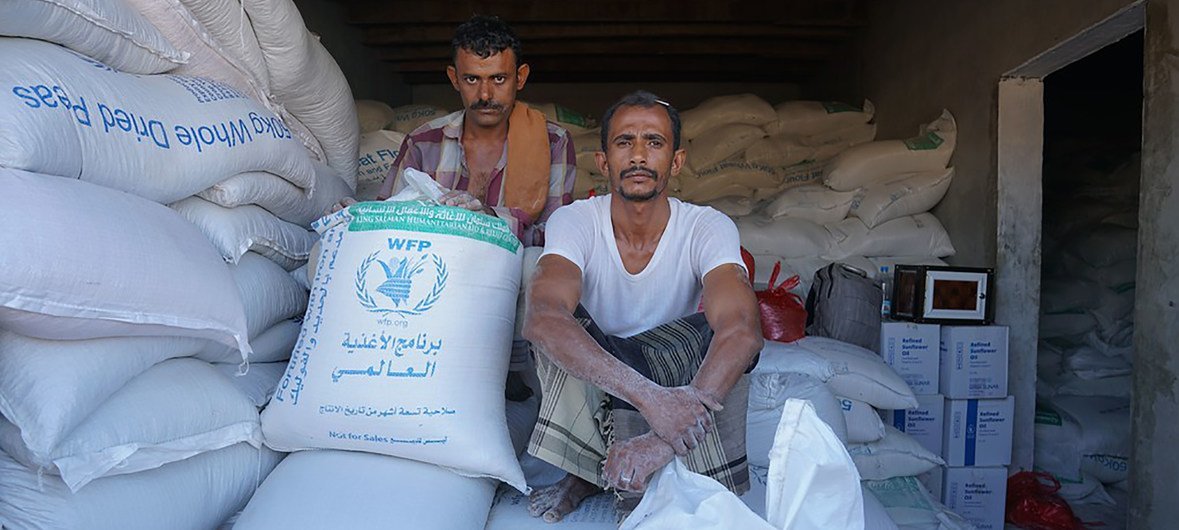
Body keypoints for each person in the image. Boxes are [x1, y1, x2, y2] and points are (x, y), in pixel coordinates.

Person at [522, 91, 764, 523]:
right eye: (624, 142)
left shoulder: (706, 226)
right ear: (603, 161)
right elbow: (542, 319)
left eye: (654, 143)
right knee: (552, 326)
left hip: (677, 375)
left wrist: (664, 435)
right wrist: (650, 399)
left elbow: (743, 328)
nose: (638, 155)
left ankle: (652, 456)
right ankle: (587, 472)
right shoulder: (576, 220)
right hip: (606, 375)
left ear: (676, 161)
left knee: (729, 341)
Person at [333, 14, 578, 403]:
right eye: (472, 80)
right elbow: (392, 212)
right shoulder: (424, 140)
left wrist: (487, 220)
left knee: (538, 264)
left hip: (504, 275)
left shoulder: (553, 141)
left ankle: (513, 374)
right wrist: (358, 218)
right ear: (453, 78)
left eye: (498, 79)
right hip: (430, 273)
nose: (485, 94)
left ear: (521, 77)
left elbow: (554, 235)